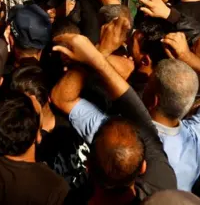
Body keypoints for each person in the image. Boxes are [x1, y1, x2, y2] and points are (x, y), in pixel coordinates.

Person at [51, 31, 178, 203]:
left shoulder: (66, 200)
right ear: (143, 167)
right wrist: (96, 57)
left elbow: (61, 98)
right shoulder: (162, 185)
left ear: (87, 166)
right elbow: (137, 114)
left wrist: (98, 54)